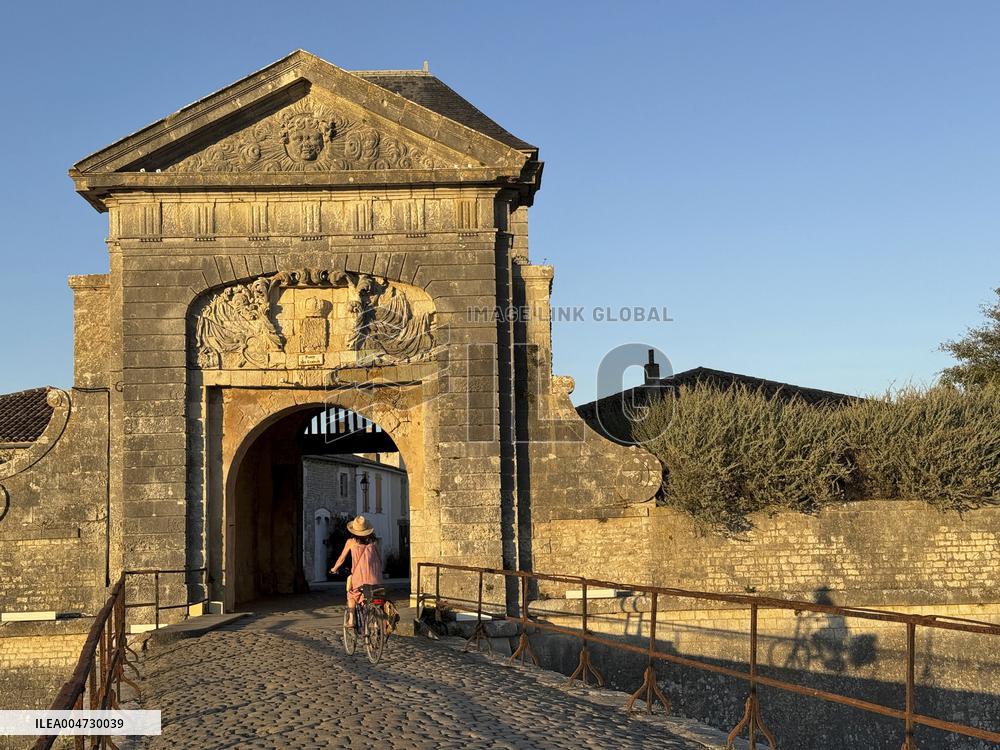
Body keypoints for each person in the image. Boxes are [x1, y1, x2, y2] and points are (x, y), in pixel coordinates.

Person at [330, 515, 383, 627]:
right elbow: (379, 558)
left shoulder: (351, 542)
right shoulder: (374, 542)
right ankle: (376, 622)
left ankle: (351, 621)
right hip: (376, 577)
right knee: (373, 596)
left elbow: (341, 558)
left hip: (360, 578)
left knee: (351, 594)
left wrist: (334, 569)